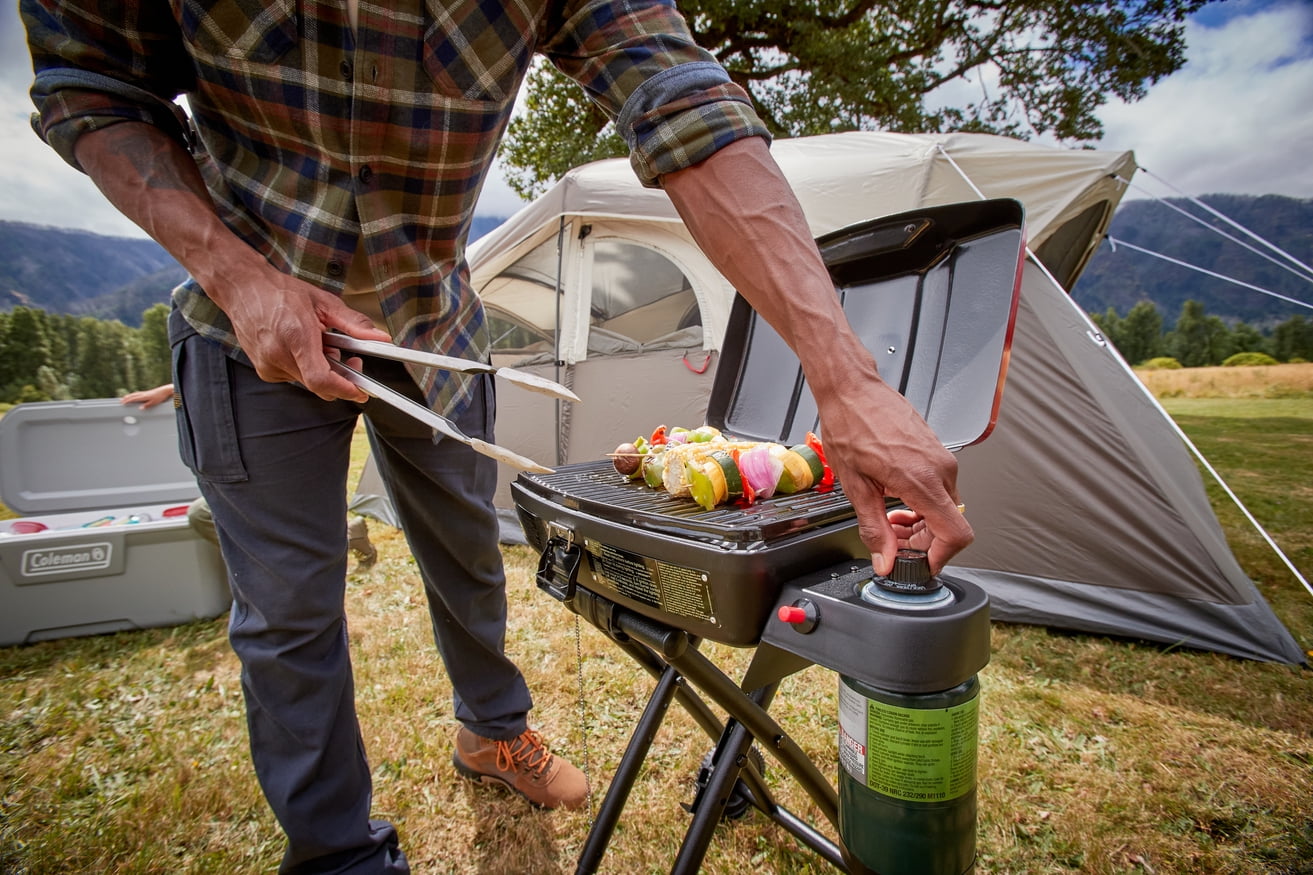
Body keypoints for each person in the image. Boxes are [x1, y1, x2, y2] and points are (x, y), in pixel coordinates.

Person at [25, 2, 972, 871]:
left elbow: (683, 103)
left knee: (469, 558)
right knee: (287, 615)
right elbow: (91, 84)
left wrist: (845, 378)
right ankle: (337, 853)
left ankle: (490, 730)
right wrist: (237, 277)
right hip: (248, 330)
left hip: (432, 325)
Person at [122, 385, 378, 567]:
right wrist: (171, 391)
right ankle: (342, 539)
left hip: (261, 468)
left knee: (205, 515)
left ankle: (283, 569)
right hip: (248, 468)